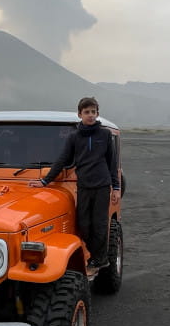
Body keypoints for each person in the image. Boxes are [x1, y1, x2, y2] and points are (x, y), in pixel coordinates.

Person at [29, 96, 120, 268]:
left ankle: (100, 259)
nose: (91, 115)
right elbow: (63, 159)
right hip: (84, 185)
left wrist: (115, 187)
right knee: (83, 224)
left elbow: (112, 162)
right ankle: (93, 254)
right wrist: (45, 181)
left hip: (101, 185)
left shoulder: (105, 135)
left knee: (100, 224)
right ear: (80, 115)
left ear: (97, 114)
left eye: (93, 112)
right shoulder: (74, 137)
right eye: (87, 112)